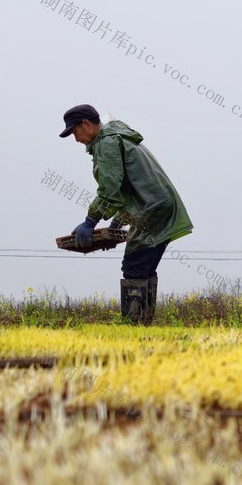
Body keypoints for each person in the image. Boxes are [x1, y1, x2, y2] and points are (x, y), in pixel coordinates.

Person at [59, 104, 193, 324]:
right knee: (143, 267)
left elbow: (110, 188)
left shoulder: (107, 142)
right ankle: (142, 323)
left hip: (152, 211)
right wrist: (116, 224)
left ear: (86, 124)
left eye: (75, 133)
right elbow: (129, 190)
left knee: (135, 267)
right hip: (156, 208)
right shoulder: (118, 138)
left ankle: (134, 325)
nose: (76, 140)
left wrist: (90, 221)